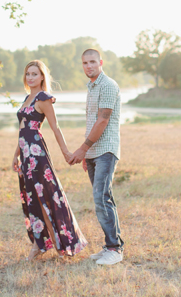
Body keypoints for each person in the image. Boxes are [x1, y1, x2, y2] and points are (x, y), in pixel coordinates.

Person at [12, 60, 87, 261]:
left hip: (37, 155)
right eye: (28, 73)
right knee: (31, 198)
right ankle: (40, 243)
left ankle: (55, 243)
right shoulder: (27, 97)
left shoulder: (44, 98)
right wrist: (15, 155)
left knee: (43, 196)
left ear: (42, 76)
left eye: (34, 74)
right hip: (25, 156)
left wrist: (65, 152)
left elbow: (55, 127)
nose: (30, 77)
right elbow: (22, 129)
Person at [67, 48, 124, 265]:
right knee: (102, 198)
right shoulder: (91, 87)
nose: (88, 66)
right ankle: (110, 245)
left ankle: (115, 249)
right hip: (93, 152)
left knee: (102, 198)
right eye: (85, 63)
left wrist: (82, 149)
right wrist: (87, 154)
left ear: (100, 62)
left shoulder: (108, 85)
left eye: (92, 62)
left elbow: (102, 121)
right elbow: (91, 121)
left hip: (106, 150)